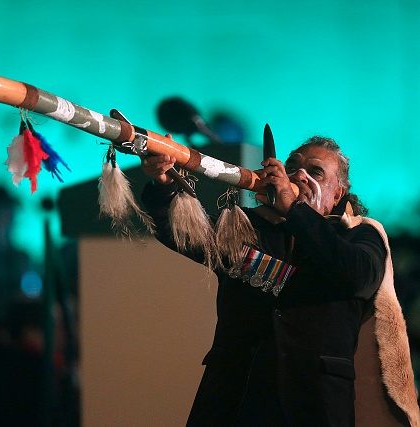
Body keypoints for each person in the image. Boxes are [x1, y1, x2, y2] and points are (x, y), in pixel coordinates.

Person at [140, 136, 420, 426]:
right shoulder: (247, 226)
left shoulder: (359, 236)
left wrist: (296, 211)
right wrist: (165, 185)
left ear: (337, 194)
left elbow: (356, 278)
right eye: (292, 166)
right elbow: (183, 235)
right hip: (234, 399)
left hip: (316, 406)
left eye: (316, 171)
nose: (299, 175)